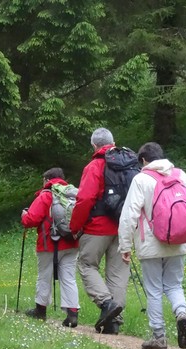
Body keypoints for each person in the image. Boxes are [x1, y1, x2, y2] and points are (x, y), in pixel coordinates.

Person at [118, 142, 186, 349]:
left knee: (153, 290)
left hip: (150, 243)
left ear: (143, 160)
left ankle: (158, 336)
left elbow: (130, 214)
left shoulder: (141, 179)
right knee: (174, 285)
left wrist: (125, 245)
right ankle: (181, 313)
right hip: (178, 239)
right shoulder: (180, 175)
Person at [69, 127, 131, 334]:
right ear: (113, 142)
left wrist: (75, 226)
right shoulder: (128, 164)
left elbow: (85, 199)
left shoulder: (95, 165)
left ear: (94, 145)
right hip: (124, 227)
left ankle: (106, 304)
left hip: (98, 226)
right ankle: (114, 321)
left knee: (87, 264)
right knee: (118, 273)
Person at [21, 168, 81, 327]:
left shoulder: (46, 195)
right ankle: (72, 313)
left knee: (44, 276)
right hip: (71, 242)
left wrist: (24, 216)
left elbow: (31, 220)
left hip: (49, 243)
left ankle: (40, 311)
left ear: (47, 180)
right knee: (68, 277)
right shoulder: (71, 194)